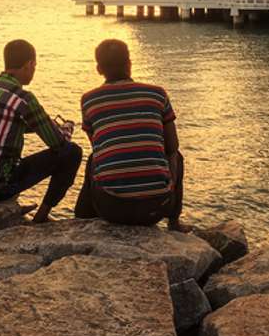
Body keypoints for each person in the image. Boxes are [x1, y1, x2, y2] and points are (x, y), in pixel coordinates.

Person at [0, 39, 82, 223]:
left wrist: (44, 124)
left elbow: (5, 125)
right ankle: (41, 217)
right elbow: (58, 143)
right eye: (35, 66)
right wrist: (66, 129)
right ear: (29, 64)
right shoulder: (24, 99)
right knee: (72, 152)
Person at [74, 39, 189, 230]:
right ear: (129, 64)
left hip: (111, 209)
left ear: (99, 69)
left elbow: (98, 147)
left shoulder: (89, 100)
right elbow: (172, 146)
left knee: (95, 158)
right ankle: (174, 220)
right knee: (177, 156)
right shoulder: (157, 94)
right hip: (157, 208)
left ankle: (82, 218)